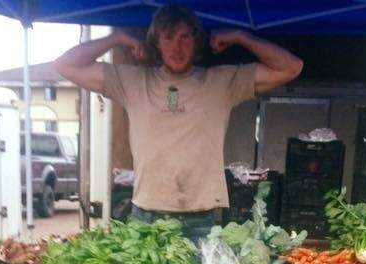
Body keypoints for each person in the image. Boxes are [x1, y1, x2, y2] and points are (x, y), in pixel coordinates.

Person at [55, 5, 303, 242]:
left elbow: (291, 67)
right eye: (169, 37)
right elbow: (65, 66)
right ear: (156, 43)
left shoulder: (221, 83)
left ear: (196, 42)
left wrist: (241, 37)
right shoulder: (132, 82)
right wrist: (117, 38)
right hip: (146, 217)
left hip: (199, 222)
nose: (177, 46)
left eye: (185, 37)